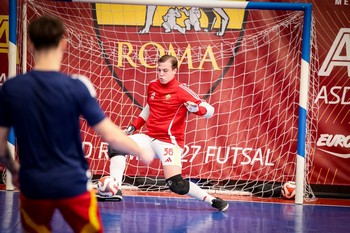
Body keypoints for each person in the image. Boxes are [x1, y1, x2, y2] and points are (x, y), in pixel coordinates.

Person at [0, 15, 151, 233]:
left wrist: (14, 170)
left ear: (31, 44)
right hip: (72, 182)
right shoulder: (76, 87)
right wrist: (140, 151)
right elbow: (110, 135)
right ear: (63, 43)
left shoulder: (11, 88)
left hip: (34, 184)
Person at [104, 55, 229, 212]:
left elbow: (210, 110)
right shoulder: (152, 86)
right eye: (158, 70)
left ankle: (213, 200)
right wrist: (133, 127)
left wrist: (195, 109)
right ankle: (115, 188)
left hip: (169, 143)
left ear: (174, 71)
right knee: (116, 146)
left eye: (165, 70)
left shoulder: (181, 90)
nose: (161, 74)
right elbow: (149, 107)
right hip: (149, 138)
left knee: (176, 185)